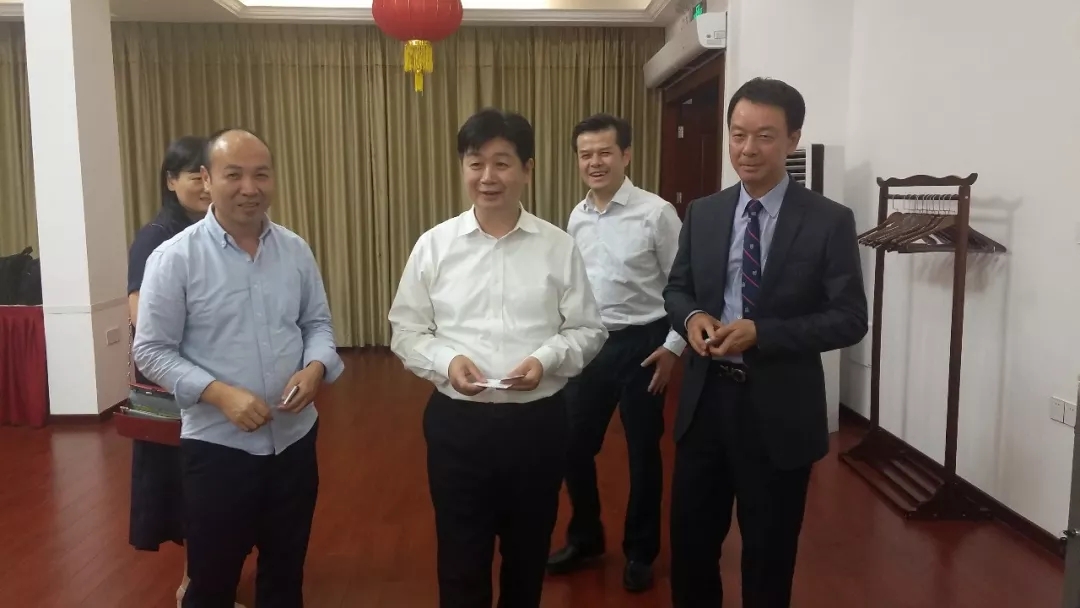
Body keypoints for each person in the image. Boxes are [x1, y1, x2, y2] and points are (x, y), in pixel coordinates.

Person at [388, 108, 608, 608]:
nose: (488, 176)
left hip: (537, 425)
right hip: (457, 425)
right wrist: (447, 361)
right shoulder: (434, 246)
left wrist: (546, 359)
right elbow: (407, 330)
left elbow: (588, 328)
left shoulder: (557, 246)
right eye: (476, 163)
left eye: (502, 163)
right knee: (460, 559)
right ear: (463, 168)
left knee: (527, 558)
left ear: (527, 169)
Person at [663, 77, 868, 607]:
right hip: (706, 403)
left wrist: (764, 332)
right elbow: (677, 289)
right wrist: (693, 317)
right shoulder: (704, 212)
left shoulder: (828, 220)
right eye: (738, 134)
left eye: (765, 136)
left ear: (793, 139)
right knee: (691, 547)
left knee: (768, 556)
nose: (747, 149)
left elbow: (850, 319)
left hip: (778, 410)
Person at [133, 128, 344, 608]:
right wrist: (219, 394)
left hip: (294, 441)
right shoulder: (174, 258)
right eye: (234, 175)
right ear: (207, 179)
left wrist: (315, 367)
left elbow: (317, 324)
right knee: (212, 581)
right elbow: (151, 351)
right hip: (218, 450)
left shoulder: (295, 249)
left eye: (261, 175)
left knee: (285, 574)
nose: (250, 188)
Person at [546, 114, 682, 592]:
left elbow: (685, 285)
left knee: (644, 451)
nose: (595, 162)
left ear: (626, 155)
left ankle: (641, 551)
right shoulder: (577, 216)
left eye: (605, 152)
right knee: (572, 445)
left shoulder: (656, 213)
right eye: (586, 155)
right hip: (592, 344)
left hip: (645, 345)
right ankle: (585, 538)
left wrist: (673, 347)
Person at [127, 135, 250, 608]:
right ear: (170, 181)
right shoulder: (158, 237)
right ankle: (192, 589)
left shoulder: (218, 230)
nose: (202, 184)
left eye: (206, 174)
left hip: (213, 385)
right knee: (189, 491)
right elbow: (141, 316)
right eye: (191, 175)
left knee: (212, 489)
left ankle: (202, 582)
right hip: (176, 388)